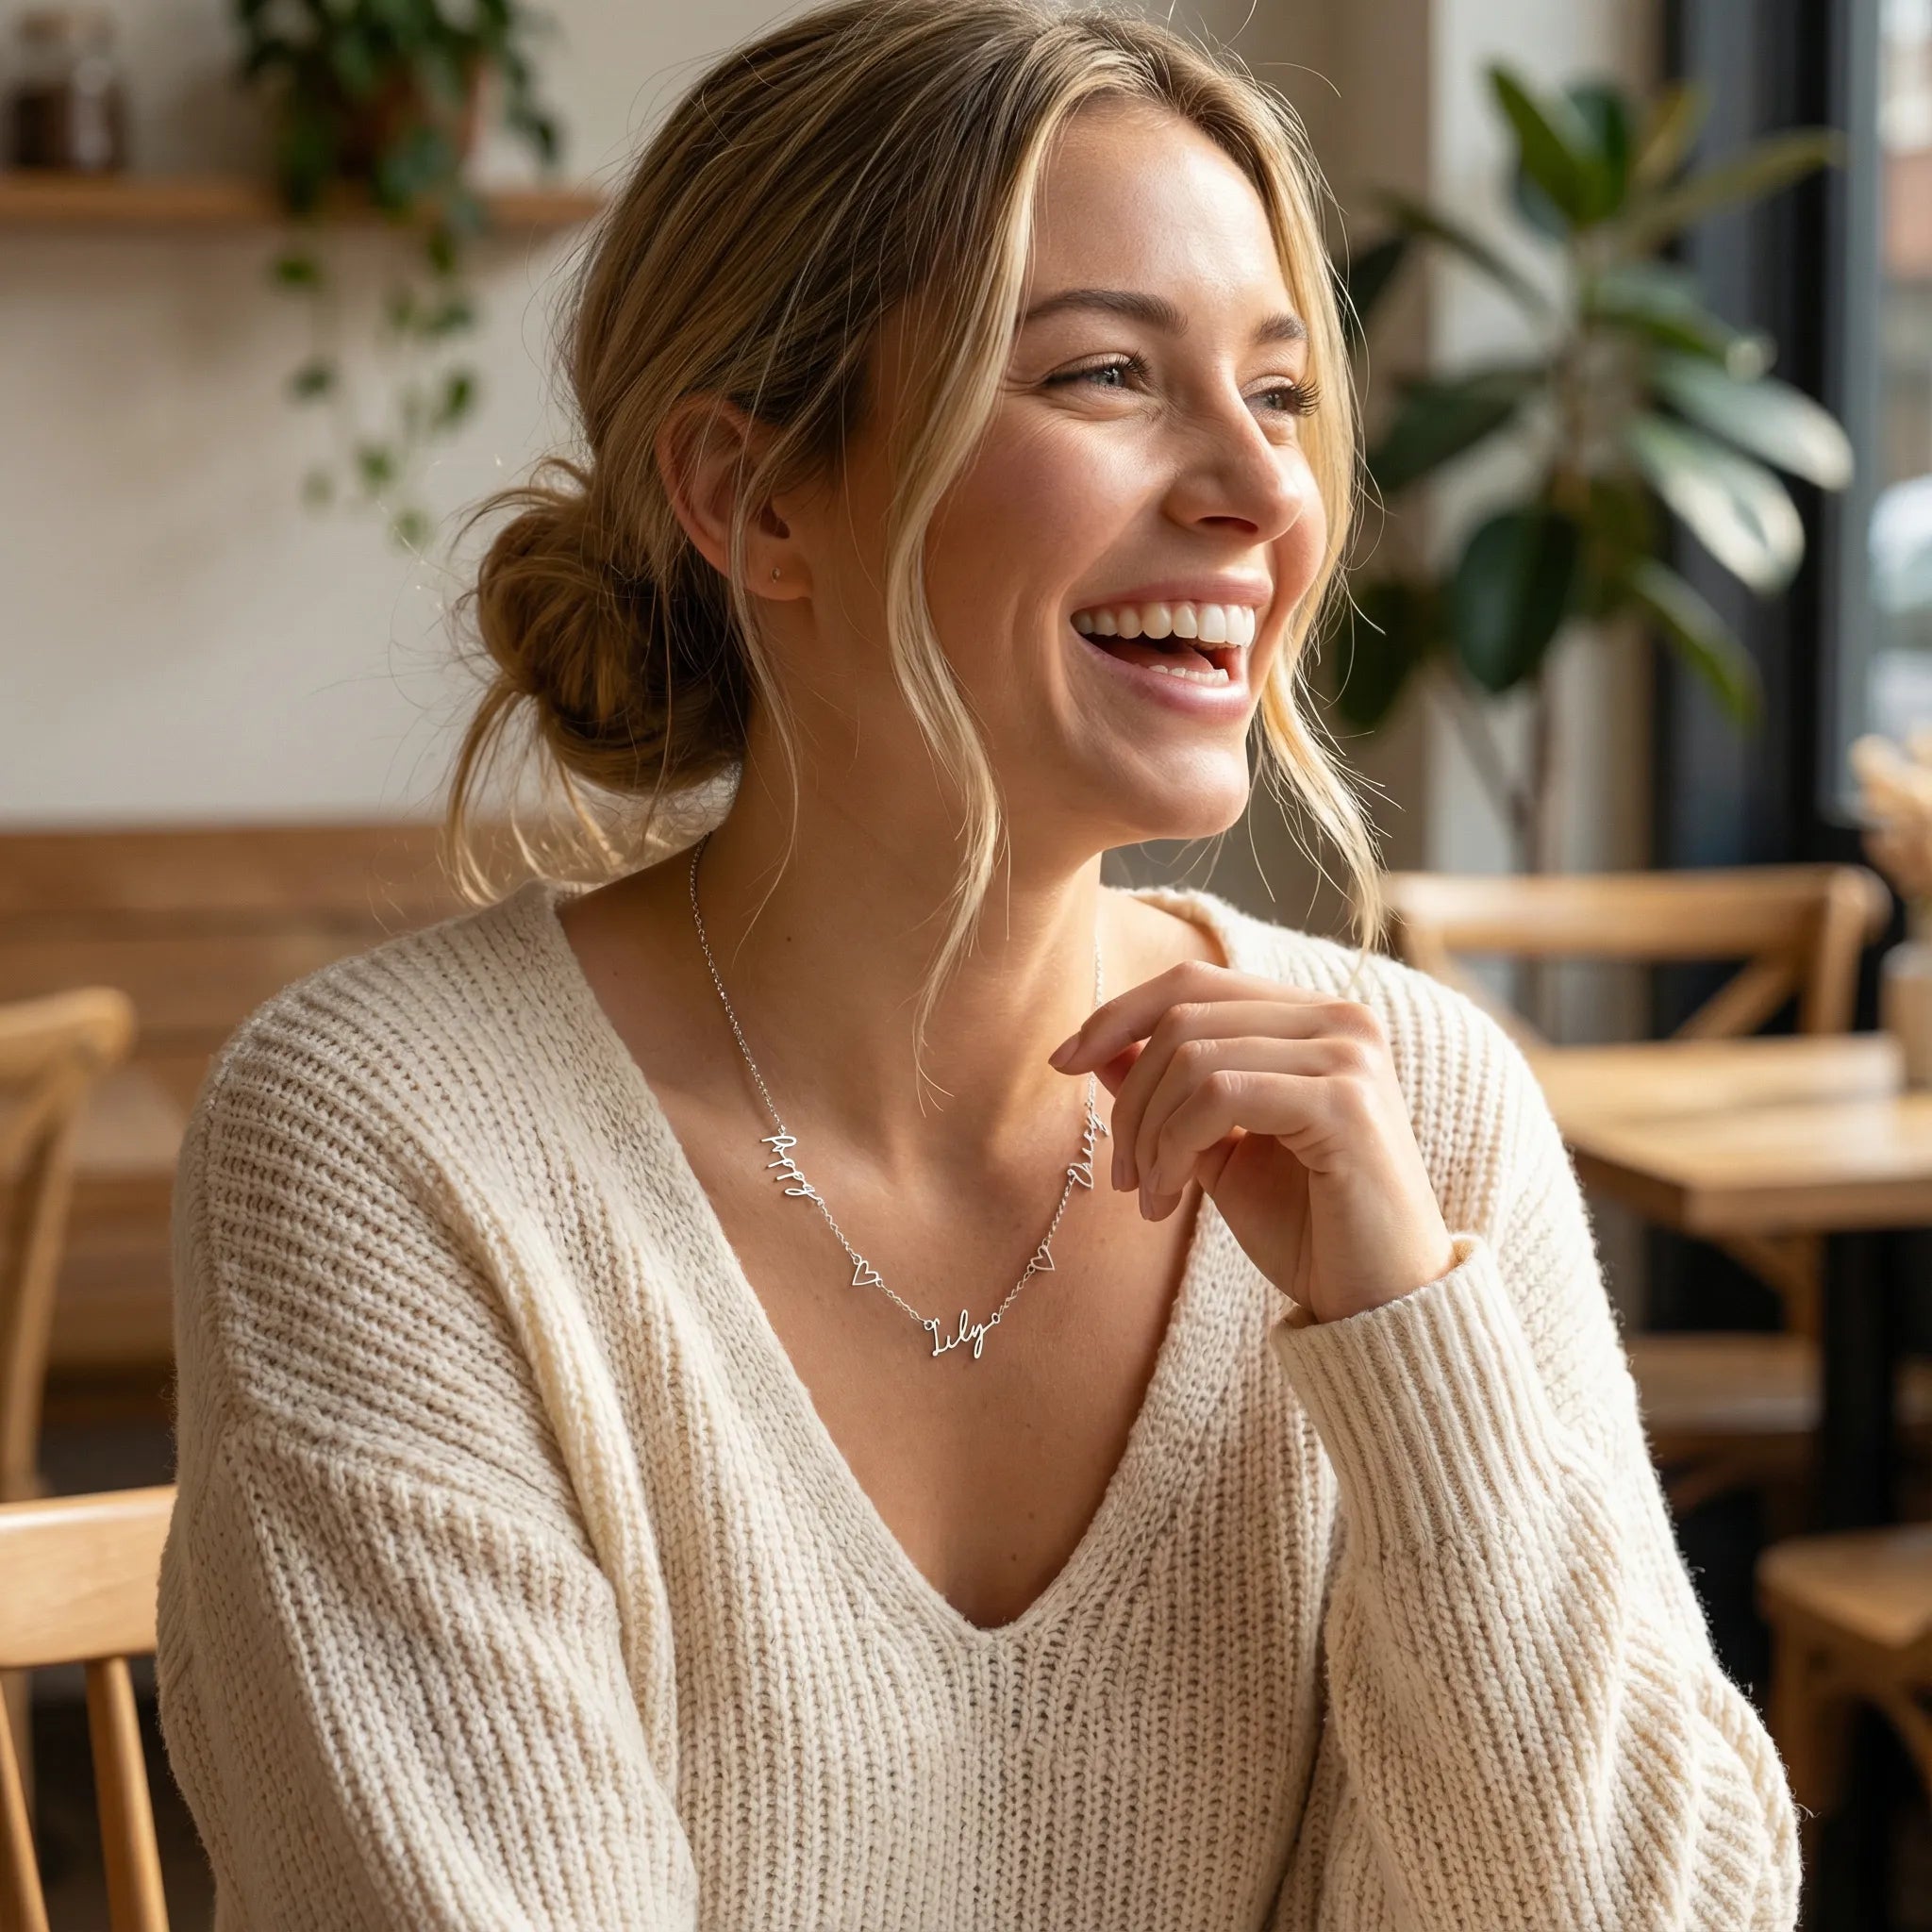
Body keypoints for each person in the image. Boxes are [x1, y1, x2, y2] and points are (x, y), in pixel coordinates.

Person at [154, 1, 1801, 1924]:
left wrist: (1408, 1342)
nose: (1263, 498)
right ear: (758, 500)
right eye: (1107, 373)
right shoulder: (390, 1147)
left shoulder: (1418, 1116)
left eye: (1276, 395)